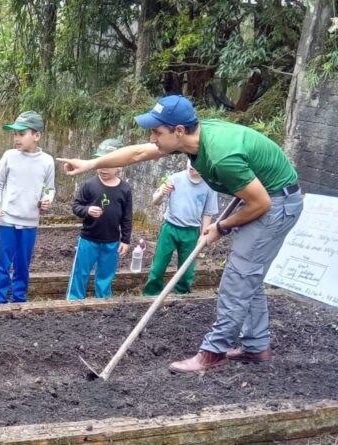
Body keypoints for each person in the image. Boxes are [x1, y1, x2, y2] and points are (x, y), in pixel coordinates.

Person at [57, 95, 302, 373]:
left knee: (239, 277)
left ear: (179, 131)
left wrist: (220, 227)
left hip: (276, 203)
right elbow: (138, 153)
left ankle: (214, 351)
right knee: (249, 275)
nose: (152, 138)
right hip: (263, 193)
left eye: (157, 132)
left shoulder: (222, 157)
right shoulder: (191, 139)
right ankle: (256, 346)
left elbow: (261, 204)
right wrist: (89, 164)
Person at [0, 111, 56, 303]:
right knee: (3, 263)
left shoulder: (47, 161)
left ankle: (19, 298)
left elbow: (49, 188)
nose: (16, 138)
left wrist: (46, 199)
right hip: (7, 220)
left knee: (22, 263)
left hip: (30, 222)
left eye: (21, 133)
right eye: (15, 134)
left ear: (36, 135)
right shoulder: (9, 156)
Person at [65, 139, 133, 300]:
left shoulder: (125, 189)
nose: (103, 168)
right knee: (80, 271)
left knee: (106, 273)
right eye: (100, 162)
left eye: (108, 163)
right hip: (88, 239)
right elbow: (76, 207)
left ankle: (103, 300)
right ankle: (74, 299)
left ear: (120, 165)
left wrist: (125, 240)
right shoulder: (89, 185)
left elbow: (127, 217)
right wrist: (87, 210)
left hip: (111, 241)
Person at [143, 160, 218, 296]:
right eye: (190, 162)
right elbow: (155, 201)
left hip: (191, 231)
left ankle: (181, 294)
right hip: (170, 227)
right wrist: (162, 193)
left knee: (187, 268)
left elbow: (208, 212)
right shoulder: (175, 178)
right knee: (159, 264)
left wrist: (203, 234)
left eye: (197, 164)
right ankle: (151, 293)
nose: (192, 167)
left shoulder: (209, 186)